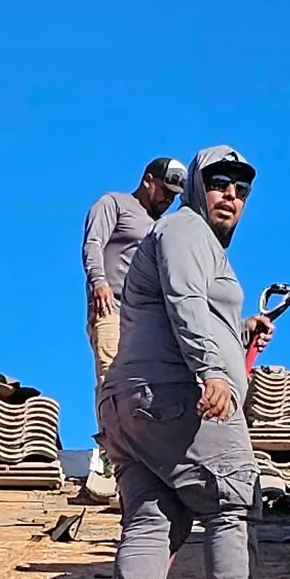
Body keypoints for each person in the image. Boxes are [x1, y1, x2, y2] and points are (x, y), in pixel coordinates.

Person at [97, 146, 290, 579]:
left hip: (132, 402)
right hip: (179, 395)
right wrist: (215, 371)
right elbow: (186, 303)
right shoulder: (186, 229)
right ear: (198, 187)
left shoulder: (185, 238)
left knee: (152, 518)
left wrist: (240, 331)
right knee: (234, 499)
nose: (231, 196)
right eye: (220, 184)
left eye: (241, 190)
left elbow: (185, 309)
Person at [82, 157, 187, 479]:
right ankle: (112, 453)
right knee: (112, 375)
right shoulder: (114, 203)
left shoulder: (160, 226)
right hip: (112, 305)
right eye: (165, 191)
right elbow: (93, 243)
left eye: (174, 195)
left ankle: (142, 452)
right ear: (148, 180)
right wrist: (98, 281)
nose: (168, 200)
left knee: (145, 384)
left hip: (148, 316)